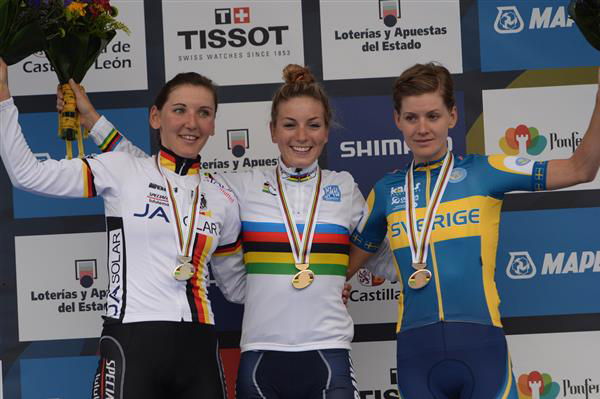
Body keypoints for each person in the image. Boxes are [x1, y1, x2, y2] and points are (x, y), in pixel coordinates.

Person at [83, 64, 393, 398]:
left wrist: (425, 261)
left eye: (313, 125)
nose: (301, 136)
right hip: (260, 355)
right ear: (273, 130)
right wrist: (93, 123)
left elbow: (382, 259)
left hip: (329, 352)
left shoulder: (344, 188)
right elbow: (152, 173)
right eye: (289, 125)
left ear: (326, 131)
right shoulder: (241, 188)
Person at [348, 62, 600, 399]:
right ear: (397, 120)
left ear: (452, 116)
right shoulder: (386, 191)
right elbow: (343, 266)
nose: (422, 128)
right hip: (415, 355)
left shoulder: (485, 172)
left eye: (433, 116)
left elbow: (580, 169)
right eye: (412, 118)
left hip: (482, 349)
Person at [0, 57, 246, 398]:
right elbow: (27, 174)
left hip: (199, 347)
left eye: (204, 113)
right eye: (179, 110)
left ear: (214, 124)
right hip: (133, 343)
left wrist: (313, 290)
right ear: (155, 117)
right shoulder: (122, 169)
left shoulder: (223, 198)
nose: (192, 122)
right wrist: (2, 98)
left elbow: (237, 288)